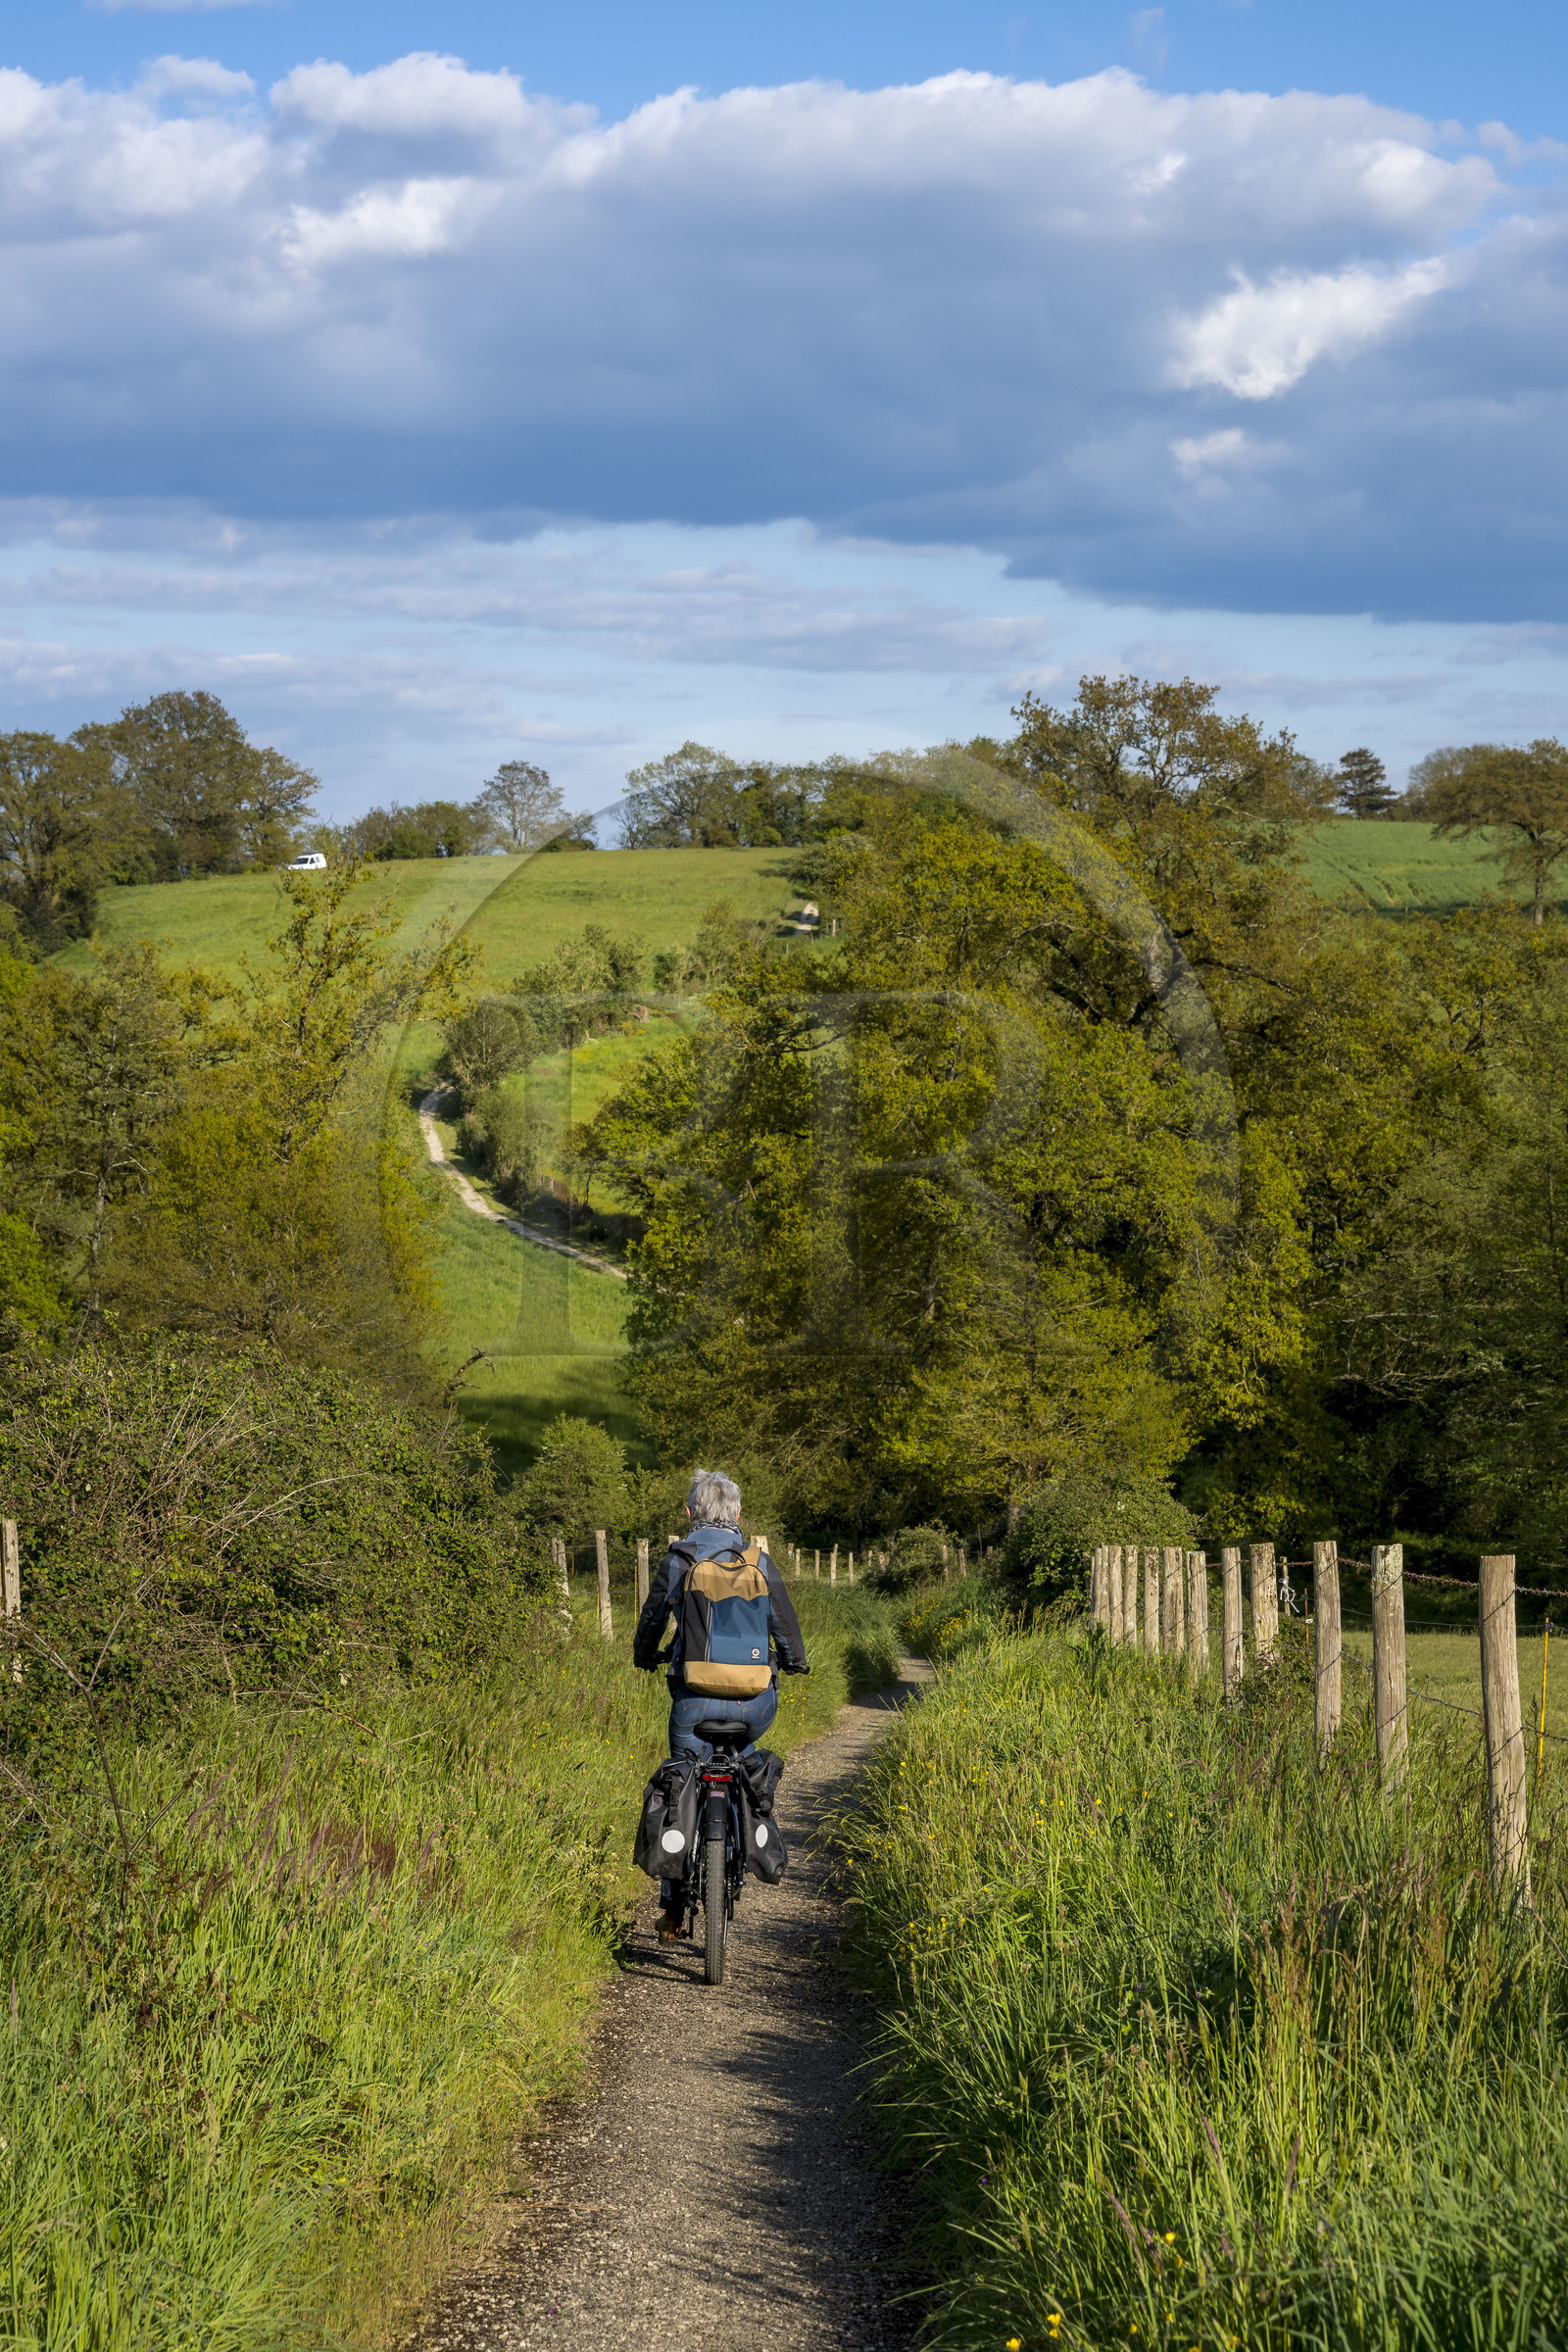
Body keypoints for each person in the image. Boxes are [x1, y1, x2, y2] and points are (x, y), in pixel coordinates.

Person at [632, 1468, 808, 1941]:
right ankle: (754, 1825)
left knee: (680, 1784)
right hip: (755, 1703)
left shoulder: (680, 1558)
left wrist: (644, 1656)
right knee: (747, 1765)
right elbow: (785, 1626)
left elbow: (651, 1619)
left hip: (693, 1701)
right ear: (737, 1514)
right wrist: (795, 1663)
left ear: (690, 1513)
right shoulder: (759, 1561)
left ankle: (671, 1909)